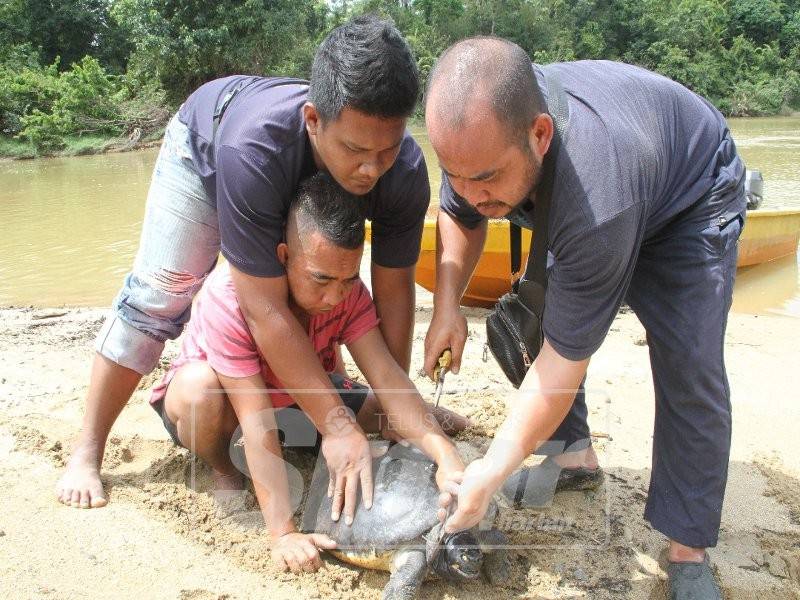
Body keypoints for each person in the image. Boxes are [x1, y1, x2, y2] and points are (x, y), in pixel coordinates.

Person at [56, 15, 430, 525]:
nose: (371, 168)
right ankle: (88, 449)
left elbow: (392, 292)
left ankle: (312, 412)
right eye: (356, 150)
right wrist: (339, 426)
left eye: (386, 149)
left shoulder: (402, 171)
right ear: (314, 119)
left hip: (294, 183)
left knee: (324, 292)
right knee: (159, 297)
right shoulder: (253, 150)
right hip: (209, 152)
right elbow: (263, 310)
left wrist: (393, 404)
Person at [423, 38, 745, 599]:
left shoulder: (596, 198)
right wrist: (449, 304)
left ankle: (688, 549)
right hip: (599, 178)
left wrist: (491, 472)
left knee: (688, 362)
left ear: (540, 134)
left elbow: (563, 363)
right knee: (539, 314)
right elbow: (460, 210)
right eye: (454, 174)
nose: (473, 195)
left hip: (689, 196)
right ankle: (575, 456)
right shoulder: (483, 144)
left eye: (488, 179)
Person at [150, 173, 467, 573]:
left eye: (348, 279)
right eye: (321, 279)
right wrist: (282, 532)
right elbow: (255, 417)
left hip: (302, 399)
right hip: (232, 407)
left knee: (383, 408)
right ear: (284, 257)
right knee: (200, 393)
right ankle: (223, 468)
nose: (334, 296)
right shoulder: (229, 297)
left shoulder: (347, 292)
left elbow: (387, 375)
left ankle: (433, 429)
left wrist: (445, 455)